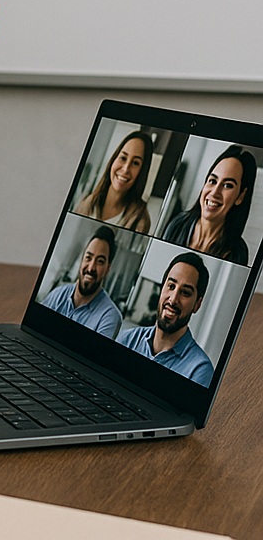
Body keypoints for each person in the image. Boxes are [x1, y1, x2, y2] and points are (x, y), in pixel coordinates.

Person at [116, 252, 214, 386]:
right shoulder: (126, 340)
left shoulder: (199, 370)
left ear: (197, 304)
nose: (173, 299)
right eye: (171, 286)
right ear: (162, 289)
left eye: (185, 292)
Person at [161, 146, 255, 265]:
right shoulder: (178, 224)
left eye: (227, 185)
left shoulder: (237, 252)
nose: (215, 192)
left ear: (240, 196)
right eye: (213, 181)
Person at [40, 226, 122, 338]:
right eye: (88, 258)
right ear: (82, 260)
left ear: (107, 269)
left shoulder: (109, 316)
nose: (91, 268)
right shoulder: (57, 294)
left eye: (100, 261)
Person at [73, 130, 153, 233]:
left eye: (135, 163)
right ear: (113, 160)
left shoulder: (140, 220)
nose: (125, 169)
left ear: (142, 172)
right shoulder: (87, 202)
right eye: (123, 158)